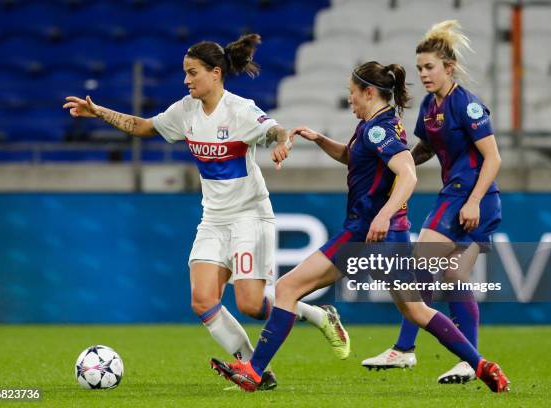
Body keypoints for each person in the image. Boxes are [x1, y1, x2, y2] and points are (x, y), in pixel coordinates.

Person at [62, 33, 350, 391]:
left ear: (215, 73)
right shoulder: (185, 111)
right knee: (202, 301)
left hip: (250, 216)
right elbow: (143, 126)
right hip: (213, 219)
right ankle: (257, 372)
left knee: (250, 304)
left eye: (192, 73)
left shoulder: (240, 110)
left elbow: (275, 130)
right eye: (185, 73)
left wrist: (283, 143)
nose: (186, 80)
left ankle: (317, 314)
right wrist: (97, 111)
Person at [210, 60, 510, 393]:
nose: (350, 100)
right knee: (415, 309)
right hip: (384, 234)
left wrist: (383, 214)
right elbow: (356, 158)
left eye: (352, 93)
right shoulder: (377, 125)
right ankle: (482, 365)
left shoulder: (377, 130)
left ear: (369, 92)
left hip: (365, 232)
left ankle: (254, 370)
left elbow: (408, 173)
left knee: (288, 288)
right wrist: (320, 139)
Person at [361, 20, 504, 385]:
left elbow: (493, 158)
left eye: (430, 67)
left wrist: (472, 202)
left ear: (449, 68)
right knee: (455, 276)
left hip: (468, 196)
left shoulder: (466, 105)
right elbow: (424, 149)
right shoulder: (429, 106)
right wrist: (399, 161)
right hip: (463, 196)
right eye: (420, 67)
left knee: (420, 262)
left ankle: (404, 350)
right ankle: (471, 362)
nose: (423, 74)